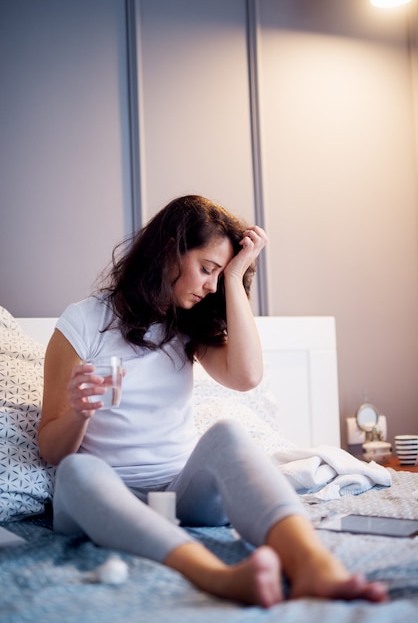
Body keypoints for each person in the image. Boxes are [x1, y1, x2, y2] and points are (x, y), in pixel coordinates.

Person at [38, 195, 387, 608]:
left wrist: (235, 277)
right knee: (77, 469)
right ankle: (217, 577)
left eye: (218, 276)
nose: (210, 286)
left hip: (180, 494)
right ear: (170, 251)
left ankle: (312, 563)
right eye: (207, 269)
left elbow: (246, 377)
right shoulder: (82, 323)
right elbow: (53, 450)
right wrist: (79, 413)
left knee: (228, 434)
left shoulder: (186, 325)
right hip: (107, 498)